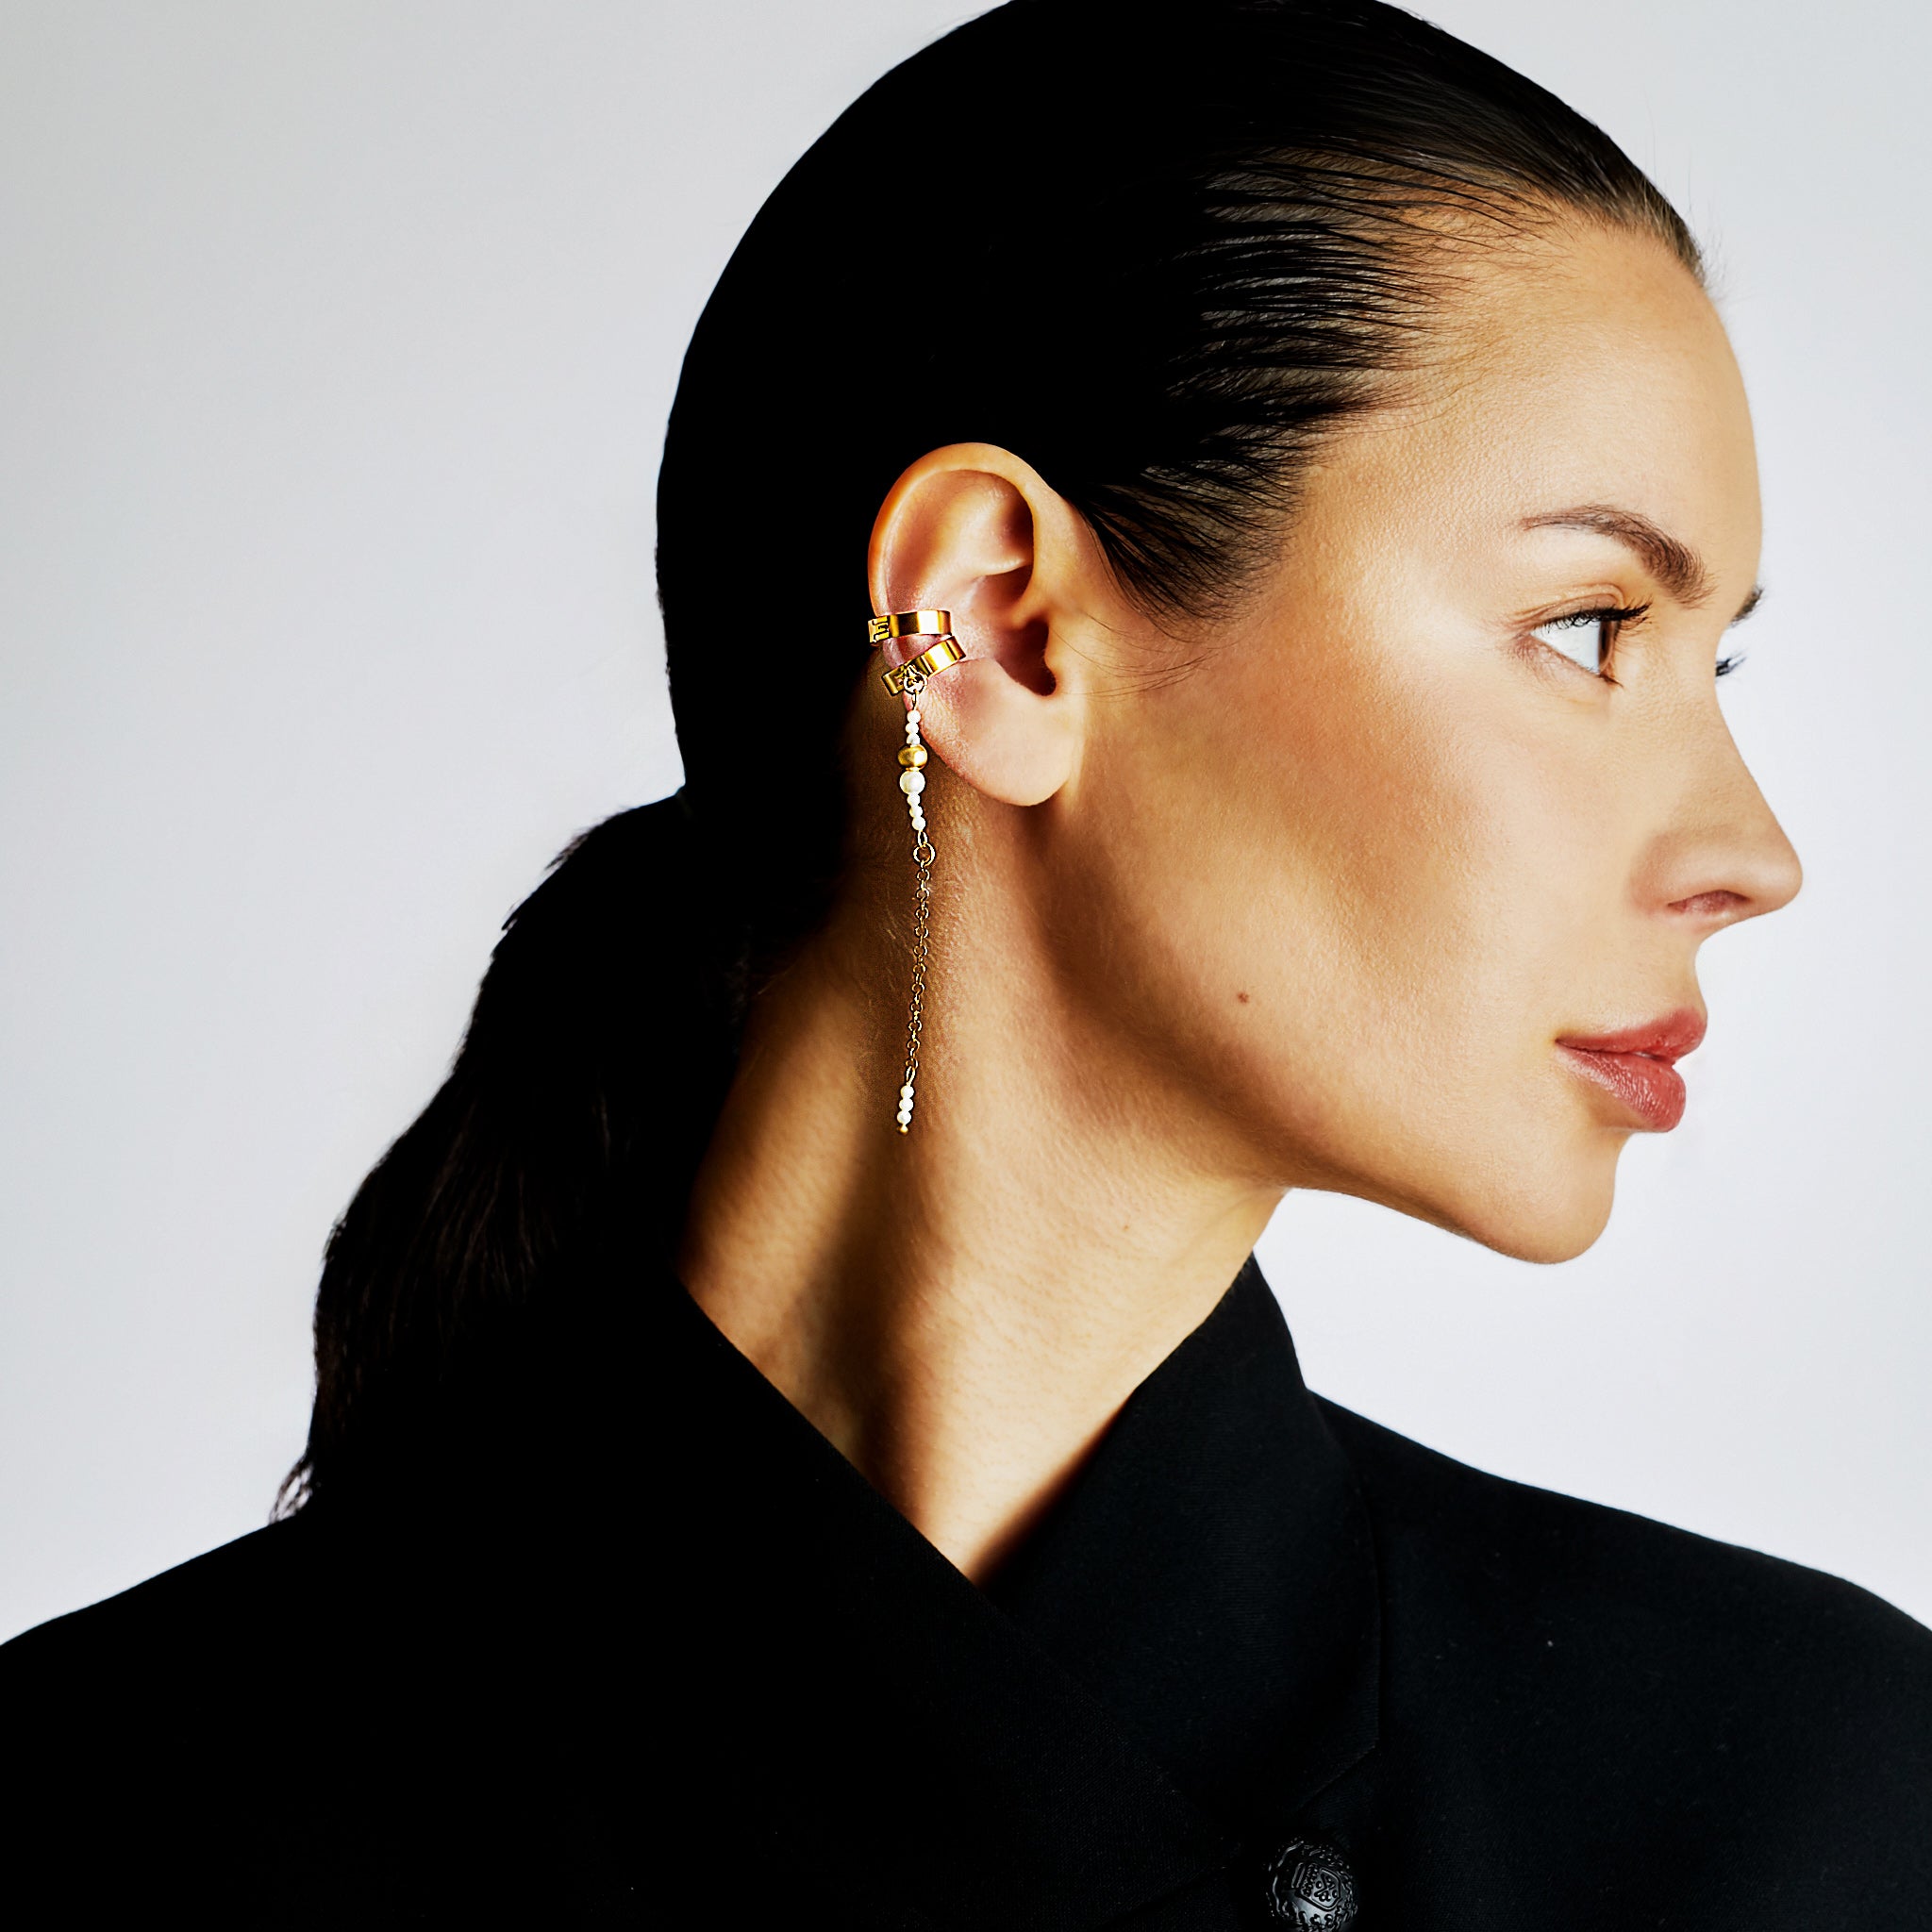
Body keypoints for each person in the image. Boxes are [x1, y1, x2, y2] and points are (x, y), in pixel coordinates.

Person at [7, 1, 1928, 1924]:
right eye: (1591, 628)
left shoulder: (1811, 1805)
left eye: (1717, 662)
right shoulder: (97, 1816)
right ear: (995, 632)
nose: (1752, 855)